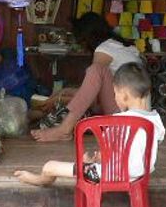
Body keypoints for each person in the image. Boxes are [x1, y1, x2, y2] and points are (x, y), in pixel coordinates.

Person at [16, 64, 165, 187]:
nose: (115, 98)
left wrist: (92, 161)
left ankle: (40, 180)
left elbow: (107, 155)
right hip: (140, 175)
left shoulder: (118, 121)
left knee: (50, 166)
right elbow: (141, 148)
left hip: (109, 175)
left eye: (115, 93)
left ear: (124, 95)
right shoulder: (155, 120)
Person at [31, 12, 143, 142]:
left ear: (88, 37)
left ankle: (64, 129)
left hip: (124, 117)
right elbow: (93, 92)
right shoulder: (124, 48)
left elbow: (92, 100)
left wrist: (58, 100)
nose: (81, 47)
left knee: (95, 70)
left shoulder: (104, 49)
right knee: (69, 98)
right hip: (134, 115)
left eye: (80, 41)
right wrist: (63, 93)